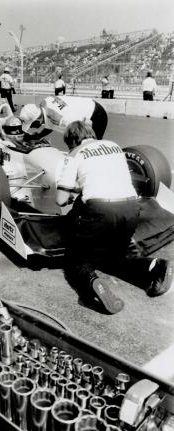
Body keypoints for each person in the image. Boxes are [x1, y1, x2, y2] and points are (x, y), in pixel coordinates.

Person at [56, 121, 173, 314]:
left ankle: (91, 286)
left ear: (71, 140)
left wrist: (71, 190)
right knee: (114, 257)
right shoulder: (114, 146)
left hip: (101, 211)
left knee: (75, 259)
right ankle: (155, 267)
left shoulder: (75, 153)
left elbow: (60, 200)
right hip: (131, 209)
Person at [20, 95, 108, 141]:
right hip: (89, 105)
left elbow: (82, 127)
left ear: (38, 120)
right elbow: (50, 123)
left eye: (31, 125)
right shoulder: (44, 103)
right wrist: (39, 136)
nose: (31, 128)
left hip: (96, 114)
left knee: (93, 145)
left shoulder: (61, 119)